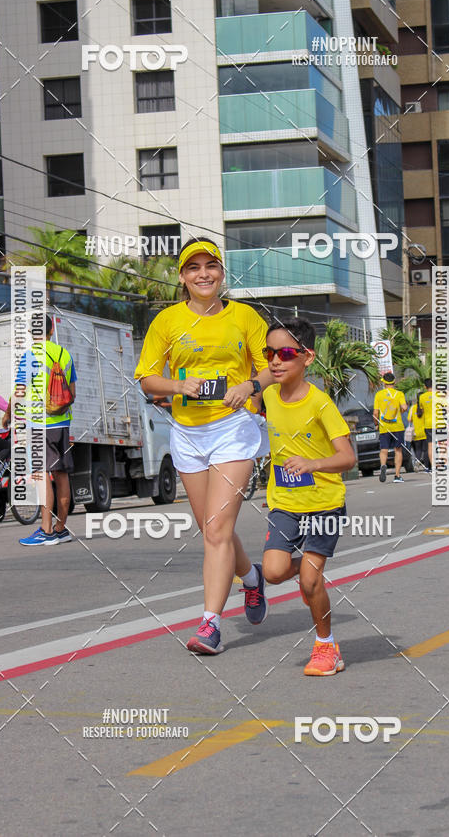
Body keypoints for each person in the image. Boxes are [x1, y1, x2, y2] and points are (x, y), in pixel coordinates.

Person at [135, 237, 275, 655]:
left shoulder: (245, 316)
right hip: (187, 433)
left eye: (210, 266)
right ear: (183, 277)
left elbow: (272, 365)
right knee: (213, 528)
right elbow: (146, 377)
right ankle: (250, 578)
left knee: (216, 530)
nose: (203, 274)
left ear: (221, 272)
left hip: (234, 429)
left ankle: (210, 623)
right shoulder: (167, 321)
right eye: (193, 268)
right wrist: (178, 384)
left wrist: (249, 385)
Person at [259, 318, 355, 676]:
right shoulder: (268, 395)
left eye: (285, 353)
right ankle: (306, 575)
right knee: (272, 572)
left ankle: (326, 647)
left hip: (324, 504)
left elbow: (347, 458)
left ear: (307, 357)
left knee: (311, 581)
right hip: (284, 503)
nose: (275, 361)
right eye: (270, 353)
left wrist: (312, 464)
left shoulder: (321, 404)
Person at [6, 313, 77, 546]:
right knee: (61, 474)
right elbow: (72, 395)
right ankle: (61, 529)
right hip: (62, 423)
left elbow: (18, 392)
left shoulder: (30, 357)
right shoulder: (64, 354)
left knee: (41, 476)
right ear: (51, 329)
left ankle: (45, 531)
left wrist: (8, 414)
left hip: (40, 425)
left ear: (31, 333)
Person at [373, 372, 407, 483]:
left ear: (384, 383)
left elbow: (375, 413)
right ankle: (397, 475)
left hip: (384, 427)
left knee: (384, 450)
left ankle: (383, 465)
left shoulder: (379, 395)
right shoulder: (399, 394)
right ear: (394, 382)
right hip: (397, 426)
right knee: (398, 450)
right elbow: (404, 407)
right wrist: (401, 410)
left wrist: (376, 424)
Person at [407, 393, 429, 471]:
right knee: (426, 450)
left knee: (418, 450)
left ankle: (417, 462)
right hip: (425, 432)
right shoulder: (425, 407)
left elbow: (409, 419)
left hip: (416, 433)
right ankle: (427, 467)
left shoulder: (413, 408)